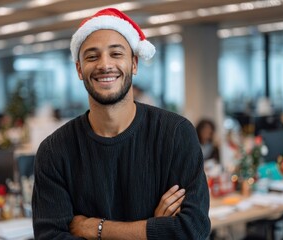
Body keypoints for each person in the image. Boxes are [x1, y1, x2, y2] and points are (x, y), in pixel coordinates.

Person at [32, 8, 210, 239]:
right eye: (92, 56)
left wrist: (95, 228)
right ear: (79, 69)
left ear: (134, 63)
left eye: (116, 54)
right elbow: (50, 237)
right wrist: (153, 229)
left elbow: (193, 230)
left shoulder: (175, 134)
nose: (105, 65)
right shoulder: (54, 151)